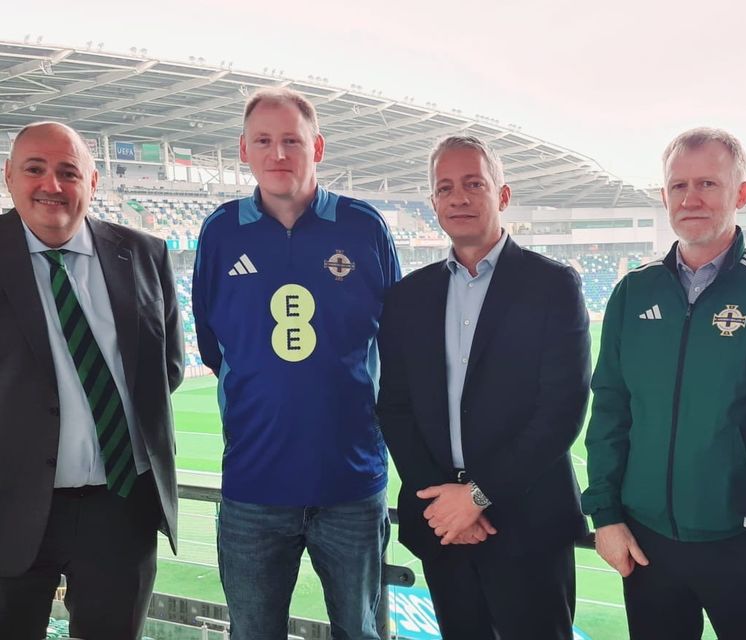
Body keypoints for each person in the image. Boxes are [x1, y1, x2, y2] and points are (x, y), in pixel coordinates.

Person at [192, 88, 400, 640]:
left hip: (351, 487)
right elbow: (215, 346)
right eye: (264, 141)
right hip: (254, 488)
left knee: (361, 631)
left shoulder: (363, 227)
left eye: (292, 140)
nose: (278, 153)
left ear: (319, 147)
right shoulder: (221, 231)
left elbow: (398, 343)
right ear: (243, 150)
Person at [582, 128, 746, 639]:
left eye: (707, 184)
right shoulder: (633, 293)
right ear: (664, 196)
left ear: (740, 194)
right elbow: (610, 409)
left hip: (743, 544)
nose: (690, 198)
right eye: (678, 186)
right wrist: (605, 516)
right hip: (646, 542)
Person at [376, 135, 591, 640]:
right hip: (443, 526)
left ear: (503, 194)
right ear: (433, 204)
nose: (459, 197)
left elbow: (561, 409)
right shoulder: (408, 297)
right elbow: (396, 407)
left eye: (474, 183)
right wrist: (443, 503)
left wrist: (477, 495)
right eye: (445, 188)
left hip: (528, 524)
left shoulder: (553, 285)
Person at [0, 121, 184, 639]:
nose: (51, 186)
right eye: (34, 169)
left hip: (121, 507)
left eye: (68, 172)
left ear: (93, 182)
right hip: (10, 506)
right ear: (9, 176)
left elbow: (167, 368)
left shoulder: (145, 253)